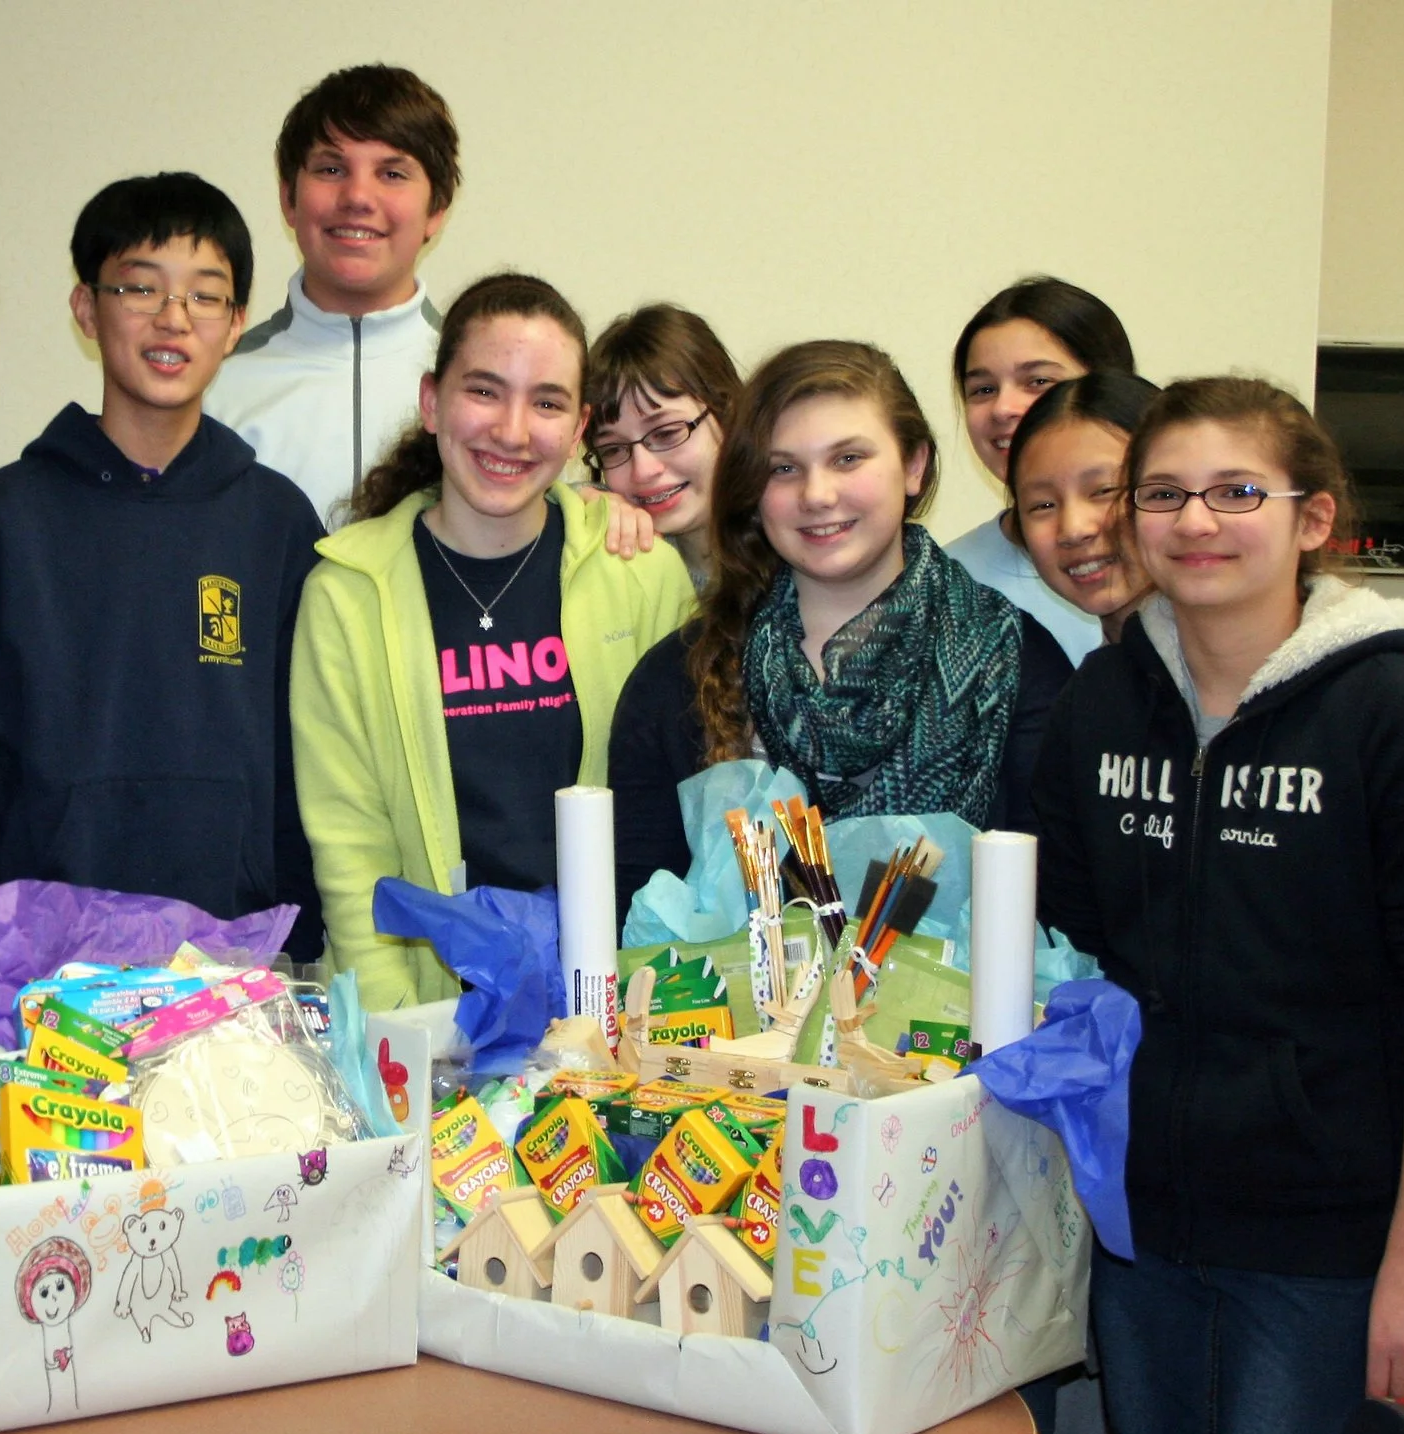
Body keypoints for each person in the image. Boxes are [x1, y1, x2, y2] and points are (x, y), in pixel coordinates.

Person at [1032, 377, 1404, 1434]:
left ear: (1313, 516)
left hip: (1323, 1242)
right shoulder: (1099, 707)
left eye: (1236, 490)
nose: (1196, 521)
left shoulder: (1382, 707)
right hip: (1138, 1234)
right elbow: (1070, 952)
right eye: (1163, 493)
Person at [0, 172, 323, 958]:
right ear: (86, 308)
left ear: (237, 323)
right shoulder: (7, 517)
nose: (174, 319)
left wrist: (298, 938)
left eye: (206, 296)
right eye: (140, 287)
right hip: (40, 959)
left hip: (233, 954)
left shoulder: (275, 522)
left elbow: (304, 757)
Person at [292, 273, 696, 1008]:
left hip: (613, 1013)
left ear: (578, 432)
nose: (512, 431)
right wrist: (403, 1041)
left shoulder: (640, 575)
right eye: (483, 391)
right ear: (430, 403)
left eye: (546, 402)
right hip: (427, 1009)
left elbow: (680, 829)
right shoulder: (348, 593)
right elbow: (350, 848)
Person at [609, 340, 1071, 902]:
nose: (817, 494)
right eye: (784, 468)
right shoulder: (676, 680)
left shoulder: (1014, 656)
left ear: (914, 466)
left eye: (849, 458)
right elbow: (635, 920)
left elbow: (1056, 904)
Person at [207, 63, 457, 526]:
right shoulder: (214, 388)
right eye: (331, 168)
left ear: (436, 210)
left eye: (393, 174)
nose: (358, 196)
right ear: (288, 198)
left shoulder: (485, 388)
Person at [945, 276, 1136, 665]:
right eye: (983, 389)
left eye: (1038, 381)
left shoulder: (1185, 556)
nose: (1003, 408)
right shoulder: (951, 582)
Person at [584, 304, 737, 588]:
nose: (643, 471)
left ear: (726, 414)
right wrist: (582, 502)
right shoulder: (627, 560)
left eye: (666, 434)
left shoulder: (796, 564)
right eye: (614, 449)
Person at [1004, 371, 1161, 642]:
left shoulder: (1239, 668)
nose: (1074, 529)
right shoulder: (1095, 678)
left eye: (1105, 490)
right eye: (1043, 505)